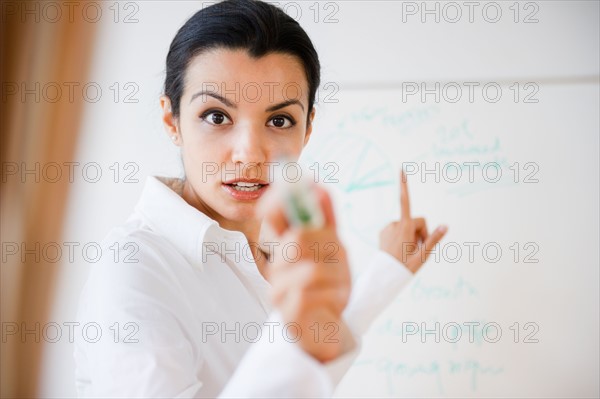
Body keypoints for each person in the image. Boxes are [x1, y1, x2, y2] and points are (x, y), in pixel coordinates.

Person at [74, 0, 448, 397]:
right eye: (217, 116)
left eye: (279, 120)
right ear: (172, 121)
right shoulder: (135, 267)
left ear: (307, 130)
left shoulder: (274, 251)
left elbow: (295, 383)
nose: (250, 154)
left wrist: (385, 275)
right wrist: (294, 332)